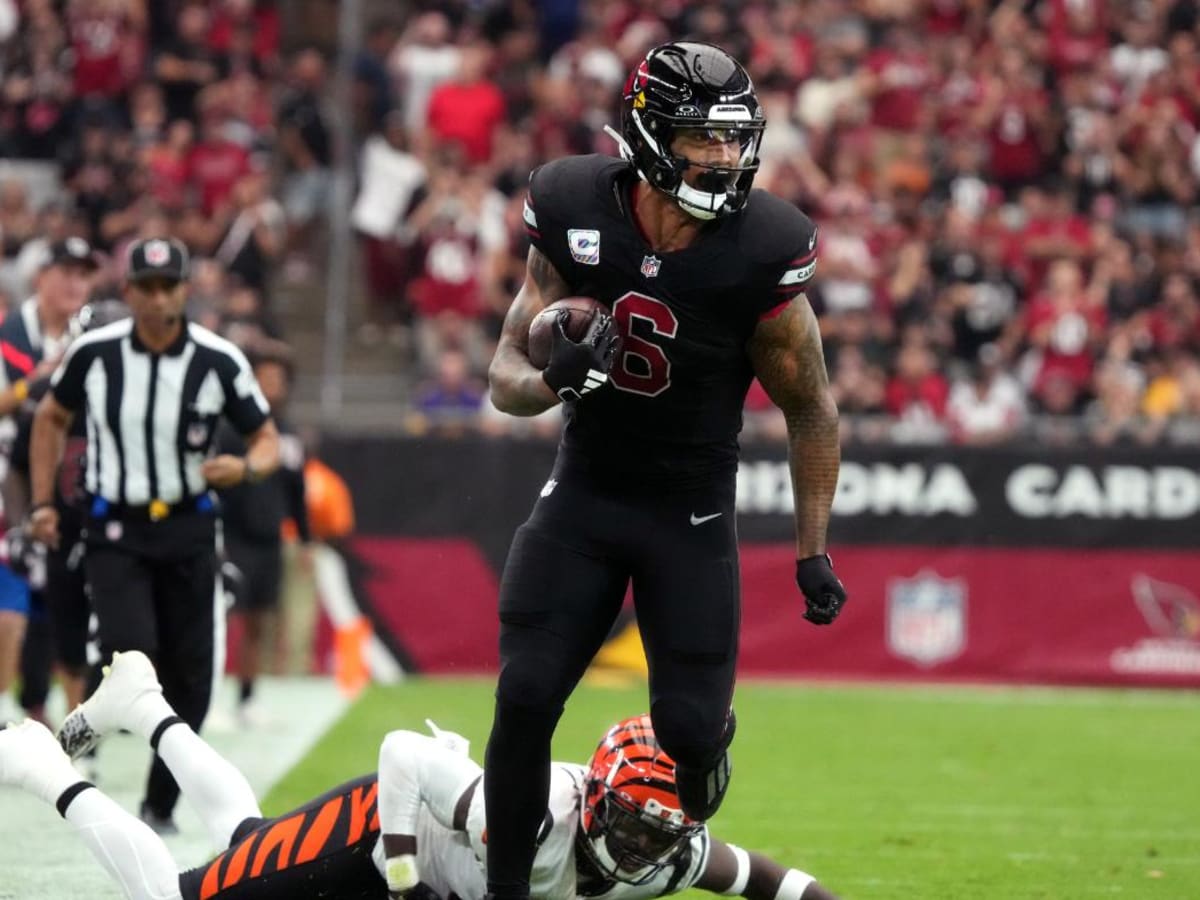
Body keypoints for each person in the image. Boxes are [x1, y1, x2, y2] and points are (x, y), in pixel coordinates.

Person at [483, 42, 848, 900]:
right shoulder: (573, 205)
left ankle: (693, 787)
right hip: (586, 492)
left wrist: (813, 549)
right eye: (703, 139)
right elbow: (505, 376)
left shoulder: (761, 250)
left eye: (734, 140)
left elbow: (812, 408)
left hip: (688, 513)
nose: (725, 158)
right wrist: (554, 379)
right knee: (525, 694)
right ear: (649, 133)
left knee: (687, 733)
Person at [0, 650, 840, 900]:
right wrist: (401, 877)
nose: (643, 842)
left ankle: (144, 705)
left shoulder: (665, 847)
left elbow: (770, 883)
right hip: (375, 839)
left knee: (246, 840)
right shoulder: (536, 812)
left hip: (421, 881)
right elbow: (402, 751)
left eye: (658, 831)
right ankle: (43, 768)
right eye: (634, 822)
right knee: (185, 899)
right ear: (597, 798)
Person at [26, 237, 281, 834]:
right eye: (147, 286)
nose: (158, 298)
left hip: (191, 525)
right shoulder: (95, 353)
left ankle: (157, 804)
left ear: (185, 290)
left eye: (169, 287)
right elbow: (50, 417)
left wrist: (244, 468)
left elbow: (264, 436)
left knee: (192, 678)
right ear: (129, 290)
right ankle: (89, 726)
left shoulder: (218, 359)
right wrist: (41, 500)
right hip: (116, 527)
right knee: (134, 656)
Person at [0, 237, 97, 726]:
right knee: (12, 606)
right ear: (40, 276)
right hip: (10, 484)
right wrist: (33, 382)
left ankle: (64, 720)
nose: (75, 283)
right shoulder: (10, 334)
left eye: (84, 274)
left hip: (75, 486)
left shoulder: (96, 332)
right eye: (65, 272)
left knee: (65, 605)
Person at [213, 347, 310, 725]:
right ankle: (211, 697)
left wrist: (303, 539)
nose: (273, 387)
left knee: (258, 622)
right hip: (232, 538)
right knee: (221, 623)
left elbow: (296, 490)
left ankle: (246, 698)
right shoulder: (230, 429)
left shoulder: (288, 435)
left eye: (279, 381)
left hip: (269, 540)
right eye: (266, 379)